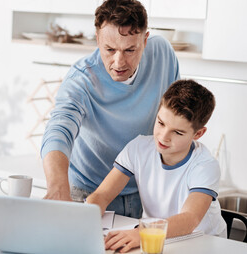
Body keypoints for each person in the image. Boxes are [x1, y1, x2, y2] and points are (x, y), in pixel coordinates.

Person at [41, 0, 180, 218]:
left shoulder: (163, 54)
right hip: (90, 192)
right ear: (97, 39)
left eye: (130, 50)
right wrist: (57, 186)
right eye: (109, 49)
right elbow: (59, 129)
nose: (118, 62)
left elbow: (176, 116)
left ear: (145, 39)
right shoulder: (81, 79)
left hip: (146, 192)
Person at [87, 79, 227, 253]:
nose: (163, 137)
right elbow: (102, 194)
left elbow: (190, 219)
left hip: (204, 243)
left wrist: (141, 233)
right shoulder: (138, 148)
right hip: (156, 238)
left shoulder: (205, 165)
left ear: (198, 133)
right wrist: (86, 218)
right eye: (161, 123)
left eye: (177, 132)